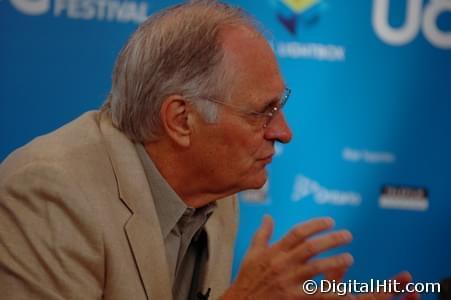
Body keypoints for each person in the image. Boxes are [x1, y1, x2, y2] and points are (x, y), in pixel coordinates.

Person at [0, 1, 415, 300]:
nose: (284, 133)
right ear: (181, 119)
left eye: (280, 107)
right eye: (262, 112)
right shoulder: (49, 192)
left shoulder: (216, 188)